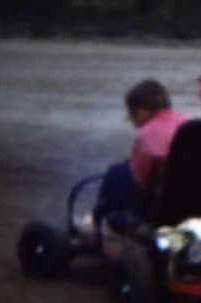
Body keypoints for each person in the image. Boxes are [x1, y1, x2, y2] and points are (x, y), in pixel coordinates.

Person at [78, 79, 188, 246]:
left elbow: (142, 181)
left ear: (142, 111)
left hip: (159, 203)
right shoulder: (185, 123)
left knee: (115, 173)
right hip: (187, 197)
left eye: (132, 113)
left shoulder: (147, 133)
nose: (131, 120)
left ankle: (98, 221)